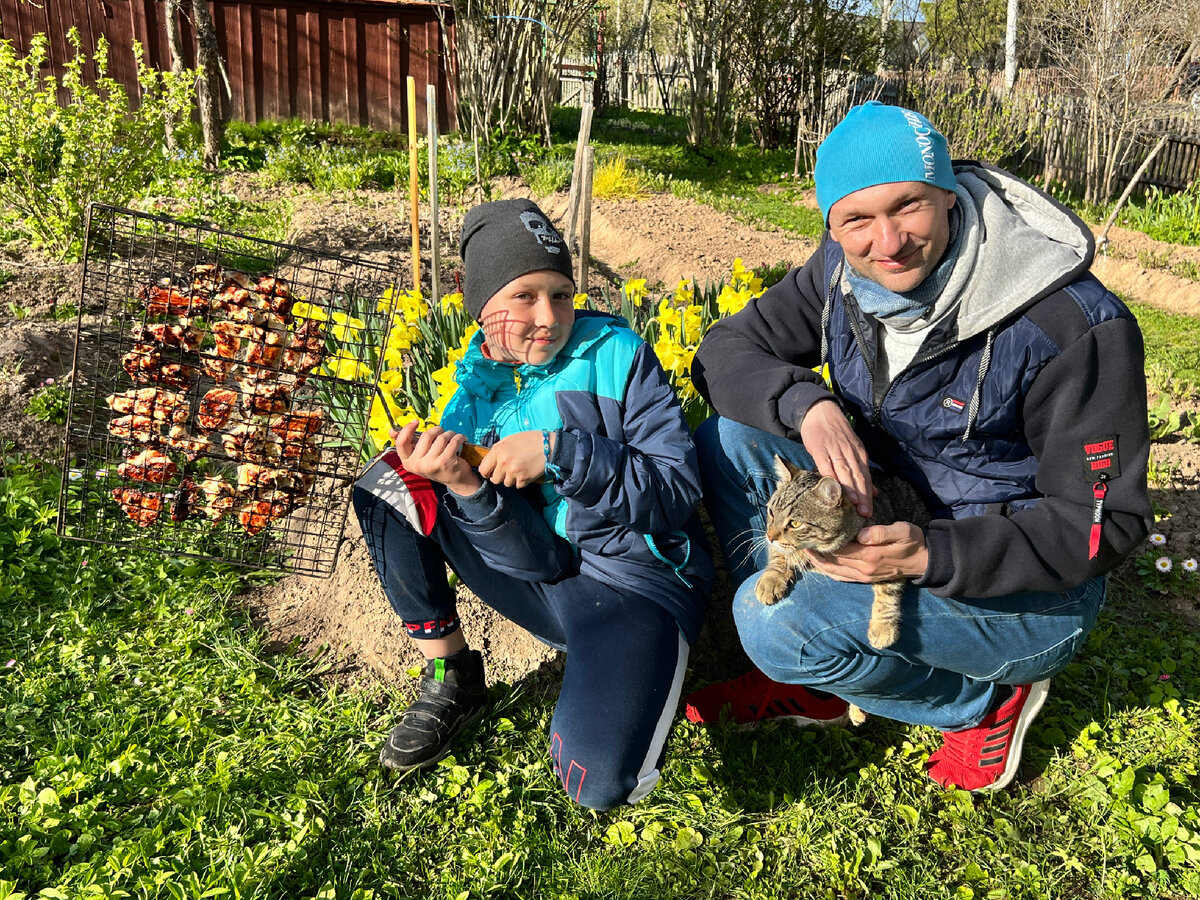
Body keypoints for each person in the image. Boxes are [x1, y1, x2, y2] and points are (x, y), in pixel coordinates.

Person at [683, 102, 1151, 792]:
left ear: (949, 194)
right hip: (888, 503)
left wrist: (933, 553)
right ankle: (824, 676)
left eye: (909, 207)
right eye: (857, 220)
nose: (888, 242)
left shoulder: (1070, 324)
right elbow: (724, 350)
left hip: (1022, 590)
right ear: (832, 223)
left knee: (769, 619)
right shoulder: (839, 276)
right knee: (730, 437)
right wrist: (805, 403)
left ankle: (981, 703)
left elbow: (1103, 524)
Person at [353, 198, 712, 810]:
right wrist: (467, 490)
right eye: (524, 296)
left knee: (596, 783)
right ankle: (451, 676)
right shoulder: (475, 386)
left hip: (633, 582)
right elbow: (532, 561)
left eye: (562, 294)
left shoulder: (619, 356)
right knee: (392, 481)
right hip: (546, 573)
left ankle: (624, 664)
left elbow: (676, 488)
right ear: (481, 303)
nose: (548, 317)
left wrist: (560, 453)